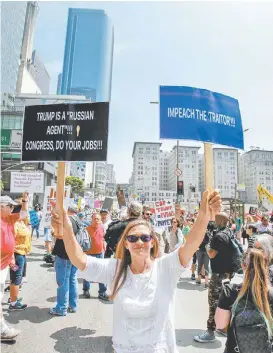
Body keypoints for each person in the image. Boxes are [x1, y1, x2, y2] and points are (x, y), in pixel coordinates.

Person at [51, 190, 221, 353]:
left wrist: (204, 217)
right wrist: (67, 229)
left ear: (153, 242)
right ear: (125, 243)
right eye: (133, 238)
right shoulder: (115, 269)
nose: (139, 242)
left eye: (145, 237)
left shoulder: (166, 267)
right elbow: (80, 260)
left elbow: (191, 243)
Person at [215, 248, 273, 353]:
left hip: (235, 349)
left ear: (242, 266)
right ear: (265, 267)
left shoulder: (230, 291)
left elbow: (220, 324)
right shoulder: (270, 294)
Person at [194, 212, 235, 343]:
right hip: (228, 274)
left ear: (221, 222)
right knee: (224, 302)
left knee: (213, 303)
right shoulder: (229, 232)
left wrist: (207, 246)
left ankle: (210, 332)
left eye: (216, 220)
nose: (214, 222)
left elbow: (211, 254)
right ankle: (223, 327)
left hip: (218, 275)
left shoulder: (218, 236)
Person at [0, 192, 29, 340]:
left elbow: (23, 213)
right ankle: (2, 329)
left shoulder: (9, 219)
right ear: (1, 207)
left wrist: (24, 200)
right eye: (10, 206)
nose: (13, 208)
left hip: (5, 264)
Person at [50, 206, 81, 316]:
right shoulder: (78, 220)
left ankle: (61, 308)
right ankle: (72, 305)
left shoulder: (68, 220)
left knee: (63, 282)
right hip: (74, 254)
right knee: (72, 279)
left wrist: (54, 233)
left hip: (64, 255)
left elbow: (59, 235)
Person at [83, 213, 109, 301]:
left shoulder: (102, 228)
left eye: (98, 219)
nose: (97, 220)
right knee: (87, 273)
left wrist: (104, 250)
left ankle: (102, 292)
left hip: (100, 254)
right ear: (92, 219)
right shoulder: (86, 229)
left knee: (101, 273)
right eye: (95, 219)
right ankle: (86, 290)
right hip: (89, 254)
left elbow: (104, 239)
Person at [8, 214, 31, 311]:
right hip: (16, 255)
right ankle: (13, 304)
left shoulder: (22, 222)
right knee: (16, 278)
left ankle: (13, 297)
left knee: (15, 277)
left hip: (22, 254)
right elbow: (11, 241)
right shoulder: (14, 224)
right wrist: (11, 257)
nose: (26, 214)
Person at [195, 222, 212, 288]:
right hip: (201, 250)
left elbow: (209, 241)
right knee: (202, 265)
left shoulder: (206, 233)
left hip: (203, 250)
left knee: (205, 265)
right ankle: (201, 280)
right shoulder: (200, 232)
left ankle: (205, 282)